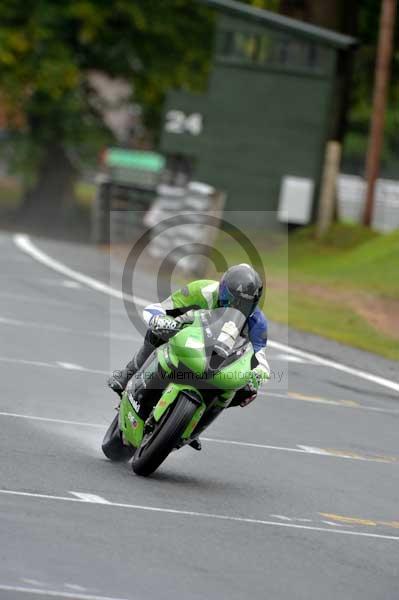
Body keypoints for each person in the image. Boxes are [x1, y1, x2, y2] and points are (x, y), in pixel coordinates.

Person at [108, 264, 270, 447]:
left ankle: (195, 424)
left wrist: (259, 373)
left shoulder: (258, 322)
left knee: (247, 389)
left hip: (221, 360)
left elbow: (259, 355)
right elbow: (157, 309)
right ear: (222, 288)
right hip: (189, 335)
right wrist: (161, 321)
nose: (236, 306)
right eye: (232, 299)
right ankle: (130, 373)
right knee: (157, 332)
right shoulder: (201, 291)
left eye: (245, 304)